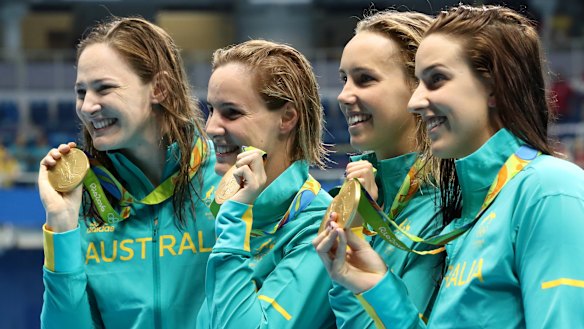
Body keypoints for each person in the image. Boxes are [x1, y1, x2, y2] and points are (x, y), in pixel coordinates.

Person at [317, 4, 584, 328]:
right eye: (419, 81)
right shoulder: (467, 210)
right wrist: (376, 285)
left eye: (436, 80)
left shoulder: (550, 189)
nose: (416, 101)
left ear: (493, 85)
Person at [38, 17, 221, 328]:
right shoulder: (86, 199)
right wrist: (62, 224)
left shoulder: (227, 179)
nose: (87, 106)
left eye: (104, 88)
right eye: (81, 92)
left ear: (159, 89)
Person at [312, 10, 444, 328]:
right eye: (345, 79)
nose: (343, 95)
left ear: (419, 85)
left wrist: (357, 239)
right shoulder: (362, 193)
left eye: (365, 79)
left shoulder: (446, 205)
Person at [197, 39, 336, 328]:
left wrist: (234, 218)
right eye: (211, 110)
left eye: (231, 113)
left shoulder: (319, 227)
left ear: (286, 118)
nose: (211, 127)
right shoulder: (244, 208)